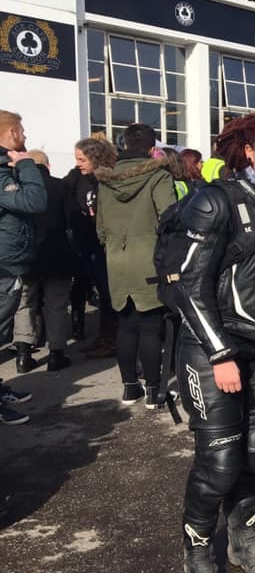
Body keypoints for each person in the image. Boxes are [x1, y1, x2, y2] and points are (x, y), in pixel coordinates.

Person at [172, 110, 255, 573]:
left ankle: (244, 537)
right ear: (247, 149)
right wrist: (220, 352)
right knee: (220, 461)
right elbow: (189, 285)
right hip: (211, 349)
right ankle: (198, 550)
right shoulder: (214, 202)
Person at [95, 123, 176, 409]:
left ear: (125, 145)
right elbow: (169, 220)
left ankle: (130, 387)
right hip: (149, 259)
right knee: (151, 328)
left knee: (126, 325)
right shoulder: (159, 176)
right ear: (153, 149)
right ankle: (154, 390)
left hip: (116, 260)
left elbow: (101, 228)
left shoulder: (105, 180)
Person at [0, 111, 47, 425]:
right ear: (12, 132)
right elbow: (34, 201)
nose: (26, 137)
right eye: (23, 132)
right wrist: (28, 164)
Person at [12, 149, 73, 373]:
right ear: (47, 166)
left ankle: (23, 354)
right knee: (56, 305)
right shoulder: (61, 186)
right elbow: (71, 223)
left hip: (26, 255)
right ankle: (56, 354)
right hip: (57, 255)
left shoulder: (18, 189)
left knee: (24, 304)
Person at [67, 137, 118, 357]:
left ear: (95, 158)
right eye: (76, 159)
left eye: (82, 159)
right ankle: (103, 336)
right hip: (86, 244)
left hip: (106, 246)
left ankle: (111, 340)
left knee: (108, 295)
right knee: (100, 293)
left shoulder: (108, 179)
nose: (78, 163)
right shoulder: (77, 177)